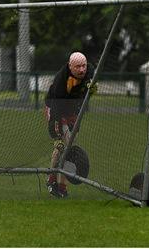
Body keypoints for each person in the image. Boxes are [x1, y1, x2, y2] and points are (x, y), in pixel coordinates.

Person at [44, 52, 96, 198]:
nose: (82, 69)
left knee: (70, 146)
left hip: (73, 111)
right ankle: (52, 179)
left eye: (83, 66)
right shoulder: (61, 82)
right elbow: (55, 108)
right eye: (78, 66)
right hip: (56, 111)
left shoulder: (90, 71)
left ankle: (61, 184)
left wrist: (90, 91)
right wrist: (54, 126)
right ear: (70, 66)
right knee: (61, 145)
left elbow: (85, 92)